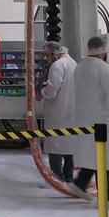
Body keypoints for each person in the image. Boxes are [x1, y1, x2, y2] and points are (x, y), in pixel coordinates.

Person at [68, 36, 109, 206]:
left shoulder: (80, 67)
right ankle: (106, 195)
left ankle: (80, 183)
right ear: (104, 51)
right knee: (104, 157)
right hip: (103, 120)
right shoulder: (104, 69)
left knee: (93, 156)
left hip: (84, 119)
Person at [40, 41, 76, 182]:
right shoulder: (73, 63)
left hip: (58, 111)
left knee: (55, 145)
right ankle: (69, 178)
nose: (46, 58)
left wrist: (42, 91)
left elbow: (51, 91)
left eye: (47, 55)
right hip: (71, 111)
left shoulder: (57, 65)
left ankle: (57, 179)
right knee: (69, 146)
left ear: (55, 53)